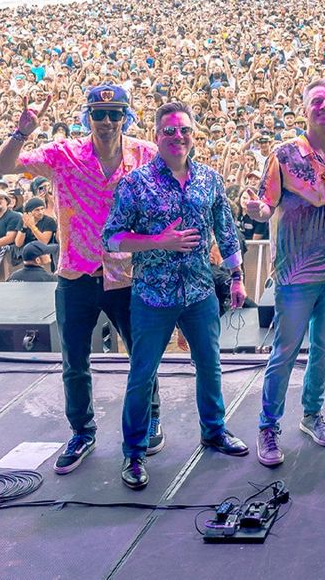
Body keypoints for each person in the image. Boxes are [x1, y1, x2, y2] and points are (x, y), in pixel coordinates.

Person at [0, 85, 165, 476]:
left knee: (142, 355)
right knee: (74, 361)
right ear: (88, 117)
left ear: (126, 117)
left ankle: (150, 417)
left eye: (115, 114)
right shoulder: (63, 154)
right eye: (99, 114)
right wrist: (21, 132)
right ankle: (82, 432)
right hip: (76, 274)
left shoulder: (145, 154)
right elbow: (2, 167)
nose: (106, 121)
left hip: (127, 274)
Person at [102, 101, 248, 490]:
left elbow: (226, 230)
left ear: (193, 134)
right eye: (169, 130)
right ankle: (134, 453)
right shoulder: (135, 184)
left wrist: (237, 276)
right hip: (152, 296)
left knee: (210, 365)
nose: (177, 136)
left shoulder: (210, 180)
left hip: (199, 291)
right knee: (142, 374)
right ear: (156, 136)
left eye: (184, 129)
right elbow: (111, 238)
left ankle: (214, 430)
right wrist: (158, 241)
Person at [242, 80, 325, 467]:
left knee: (324, 349)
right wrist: (258, 211)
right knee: (286, 350)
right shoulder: (284, 155)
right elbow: (267, 203)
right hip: (296, 272)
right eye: (317, 101)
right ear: (305, 108)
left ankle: (312, 414)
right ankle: (268, 426)